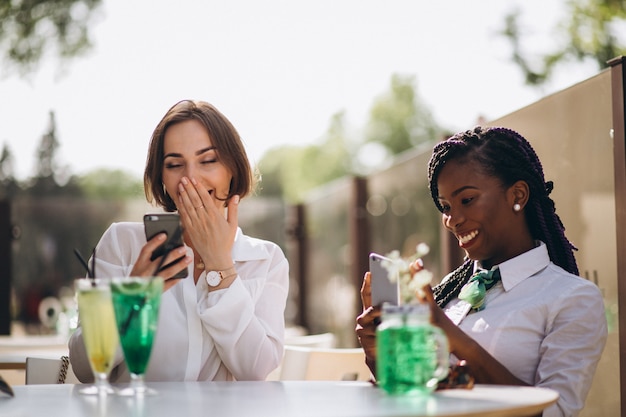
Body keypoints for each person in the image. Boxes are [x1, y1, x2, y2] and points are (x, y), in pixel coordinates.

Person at [356, 126, 607, 417]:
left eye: (466, 200)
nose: (452, 219)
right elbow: (417, 397)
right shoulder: (450, 292)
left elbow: (554, 412)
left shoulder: (573, 299)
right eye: (446, 206)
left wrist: (445, 330)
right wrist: (381, 355)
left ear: (518, 194)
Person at [69, 99, 289, 382]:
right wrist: (134, 298)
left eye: (208, 160)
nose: (191, 178)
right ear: (161, 177)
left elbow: (256, 369)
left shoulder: (266, 259)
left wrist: (221, 266)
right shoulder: (121, 244)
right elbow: (85, 368)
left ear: (232, 168)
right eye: (174, 164)